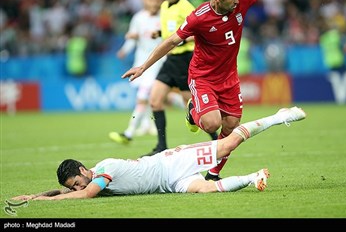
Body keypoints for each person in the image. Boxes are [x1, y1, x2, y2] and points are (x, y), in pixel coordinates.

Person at [121, 0, 307, 180]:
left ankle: (213, 172)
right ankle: (193, 112)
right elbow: (171, 41)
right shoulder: (198, 18)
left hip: (229, 78)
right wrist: (143, 66)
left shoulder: (241, 2)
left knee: (231, 125)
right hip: (203, 77)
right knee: (212, 123)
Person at [11, 106, 306, 200]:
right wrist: (36, 197)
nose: (80, 187)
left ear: (85, 170)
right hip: (168, 183)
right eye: (74, 187)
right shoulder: (92, 181)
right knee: (204, 190)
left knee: (228, 143)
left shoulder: (104, 169)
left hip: (172, 161)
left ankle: (279, 116)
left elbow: (85, 195)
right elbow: (73, 193)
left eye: (77, 182)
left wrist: (46, 205)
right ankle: (254, 178)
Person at [143, 0, 217, 157]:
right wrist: (160, 33)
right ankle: (161, 146)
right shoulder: (165, 6)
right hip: (170, 60)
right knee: (155, 100)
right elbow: (172, 31)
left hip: (185, 59)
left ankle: (216, 139)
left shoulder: (186, 7)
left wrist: (182, 41)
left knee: (192, 106)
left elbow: (199, 32)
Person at [109, 0, 164, 143]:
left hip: (158, 62)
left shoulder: (164, 17)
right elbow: (132, 38)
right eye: (150, 0)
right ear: (145, 1)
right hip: (141, 62)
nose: (154, 3)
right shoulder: (139, 18)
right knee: (147, 96)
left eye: (156, 0)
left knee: (143, 97)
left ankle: (129, 132)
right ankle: (147, 124)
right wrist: (124, 50)